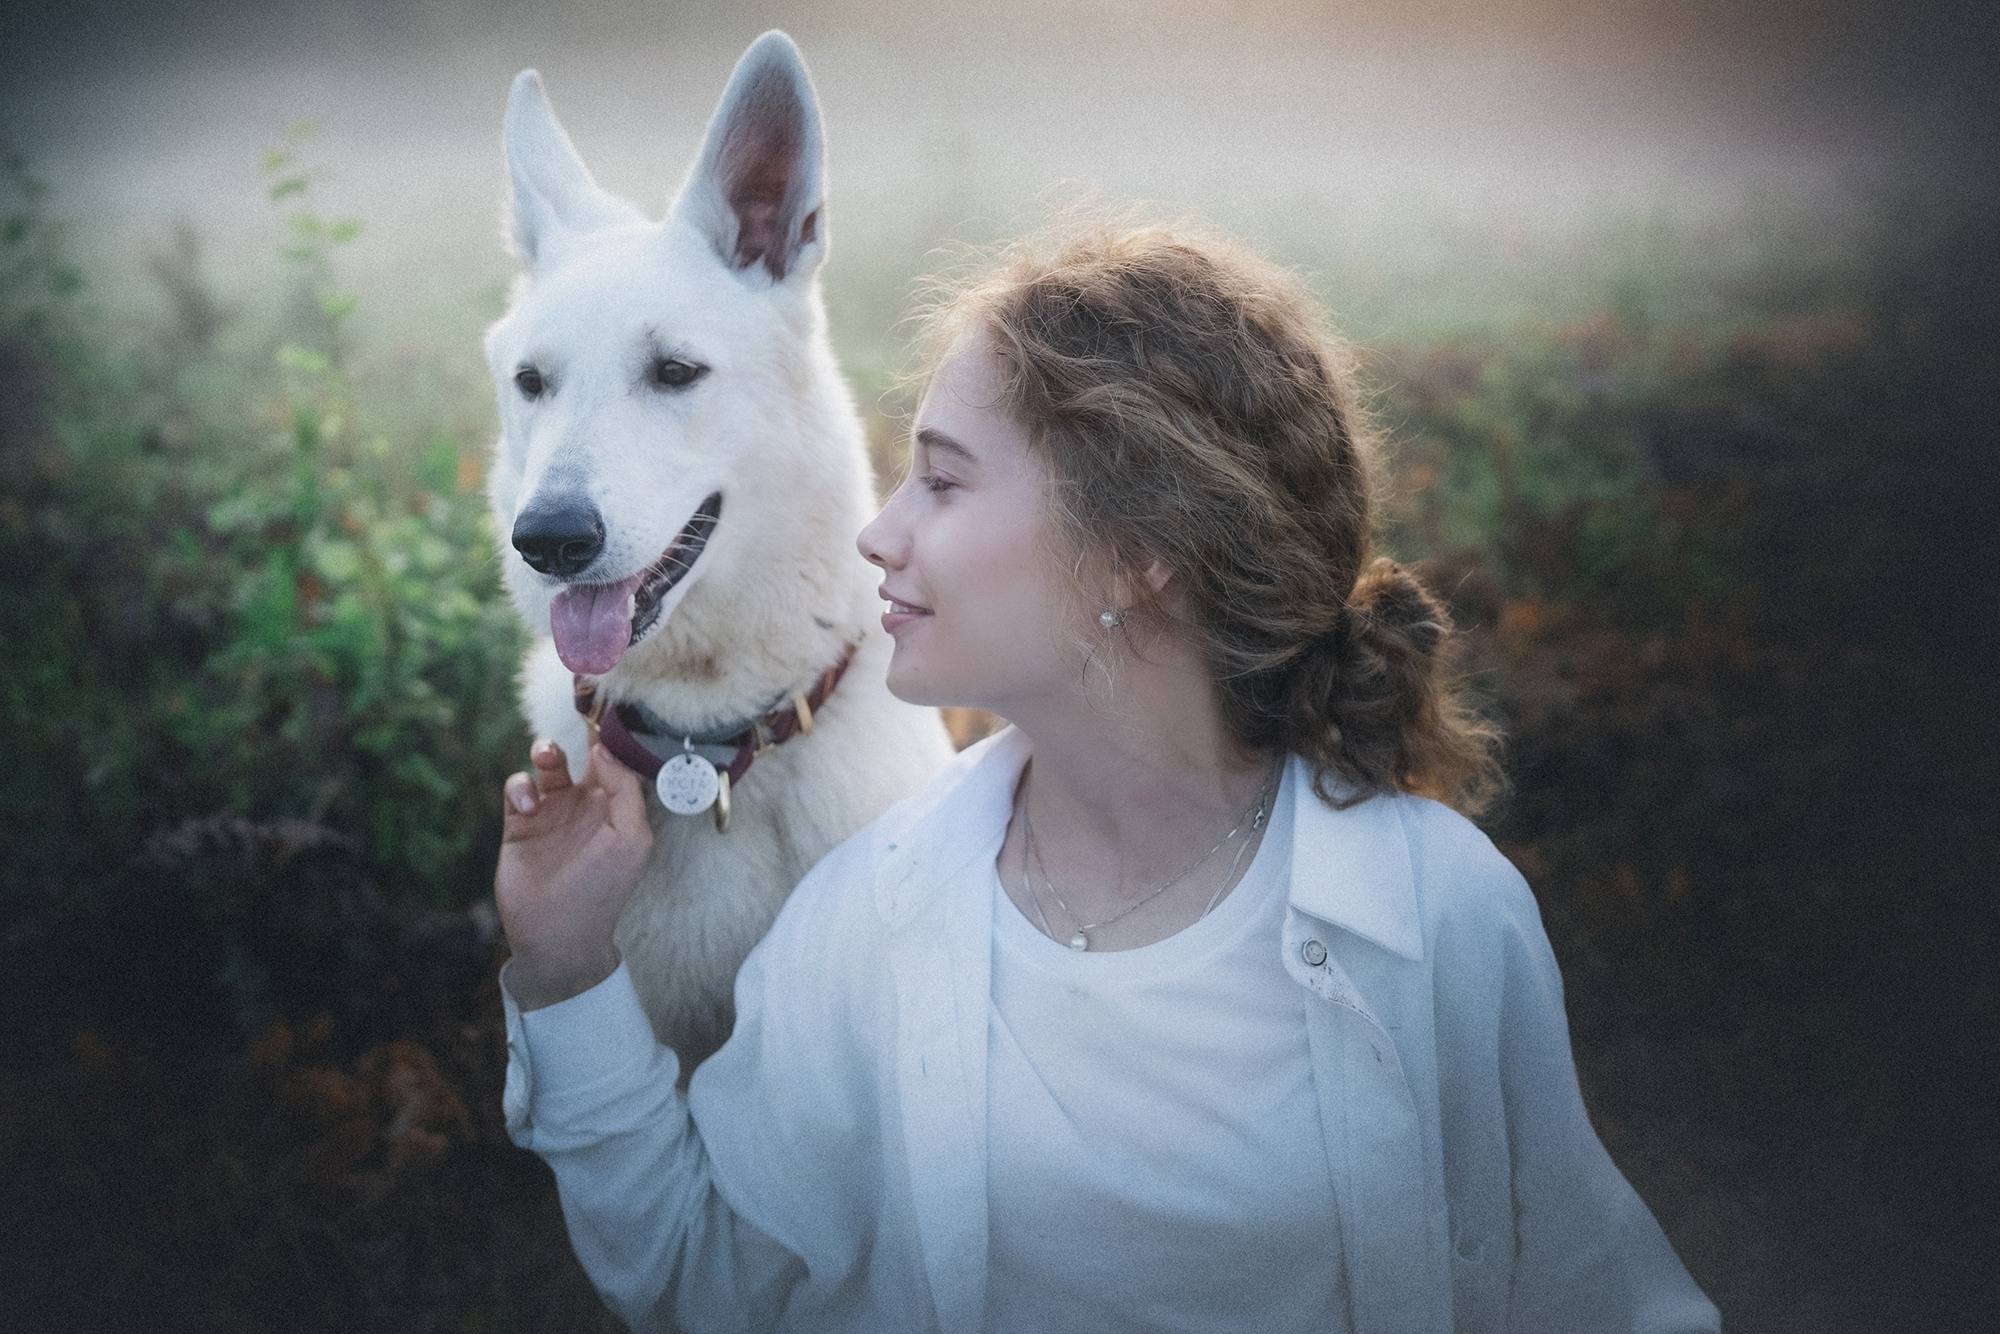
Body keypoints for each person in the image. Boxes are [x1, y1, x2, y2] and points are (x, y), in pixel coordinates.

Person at [495, 217, 1721, 1334]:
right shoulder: (861, 918)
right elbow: (708, 1278)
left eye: (943, 477)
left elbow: (1584, 1287)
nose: (876, 529)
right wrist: (564, 972)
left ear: (1137, 555)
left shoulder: (1434, 909)